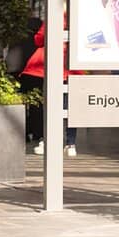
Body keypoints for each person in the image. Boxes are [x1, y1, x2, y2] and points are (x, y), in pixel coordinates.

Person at [22, 20, 77, 157]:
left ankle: (47, 141)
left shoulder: (55, 14)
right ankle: (71, 144)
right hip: (70, 67)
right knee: (69, 108)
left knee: (49, 107)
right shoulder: (79, 15)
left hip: (49, 67)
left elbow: (39, 39)